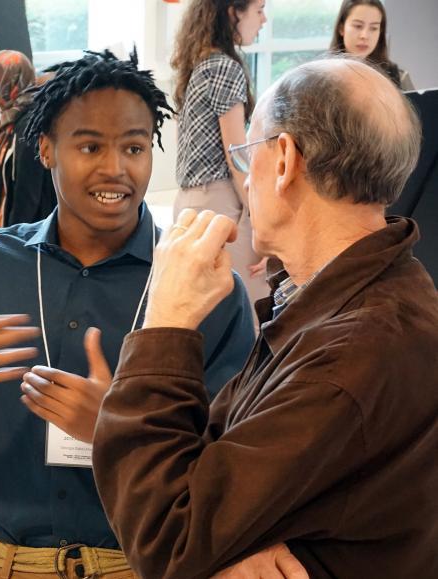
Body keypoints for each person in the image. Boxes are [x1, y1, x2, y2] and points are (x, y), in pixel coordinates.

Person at [0, 51, 257, 579]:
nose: (116, 168)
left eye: (134, 147)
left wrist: (121, 432)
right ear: (45, 149)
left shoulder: (206, 285)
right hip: (5, 565)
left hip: (144, 563)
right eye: (90, 146)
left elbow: (234, 464)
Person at [92, 56, 438, 578]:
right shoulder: (356, 298)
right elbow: (220, 457)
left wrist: (167, 320)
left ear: (283, 160)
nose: (244, 175)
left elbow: (168, 541)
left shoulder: (350, 353)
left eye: (245, 152)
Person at [171, 0, 269, 308]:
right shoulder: (225, 67)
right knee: (249, 314)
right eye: (259, 9)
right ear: (233, 12)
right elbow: (236, 156)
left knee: (204, 314)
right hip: (221, 203)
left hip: (189, 203)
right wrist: (261, 217)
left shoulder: (200, 64)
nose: (264, 20)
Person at [0, 50, 57, 227]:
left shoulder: (28, 126)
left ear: (6, 81)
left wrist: (14, 239)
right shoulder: (11, 125)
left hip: (28, 238)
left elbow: (28, 195)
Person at [330, 0, 415, 90]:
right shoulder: (324, 76)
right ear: (341, 28)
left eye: (374, 28)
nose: (364, 36)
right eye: (358, 26)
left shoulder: (398, 77)